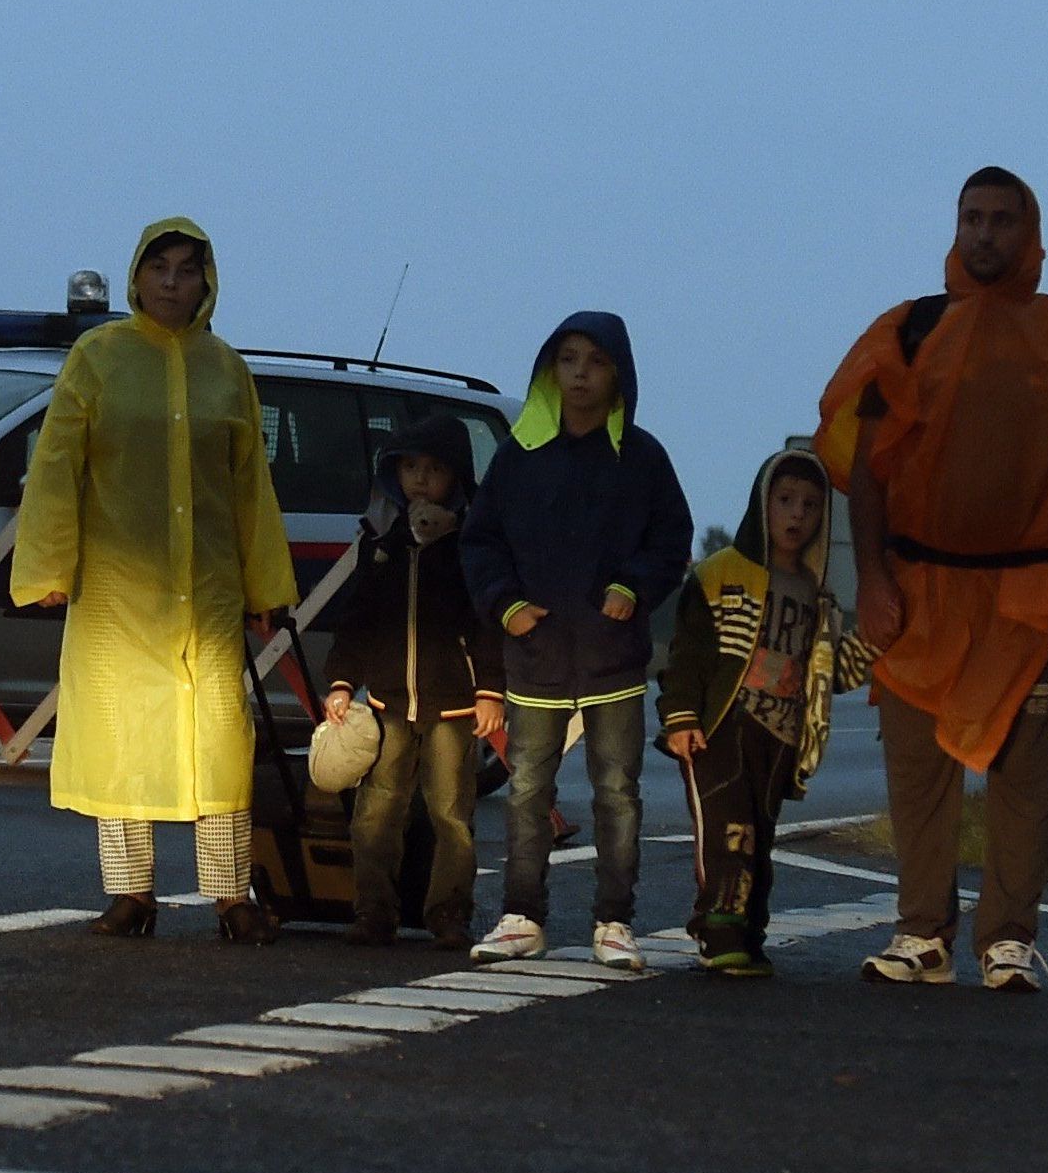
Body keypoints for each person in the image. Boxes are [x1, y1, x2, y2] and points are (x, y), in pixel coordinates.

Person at [820, 169, 1048, 992]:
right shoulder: (909, 331)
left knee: (1021, 779)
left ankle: (1008, 938)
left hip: (1026, 595)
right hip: (921, 588)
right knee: (918, 776)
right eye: (972, 217)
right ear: (954, 227)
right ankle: (922, 931)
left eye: (1001, 219)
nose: (984, 233)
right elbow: (869, 468)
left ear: (1029, 234)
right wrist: (875, 579)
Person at [11, 218, 300, 943]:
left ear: (209, 281)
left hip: (206, 591)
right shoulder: (97, 357)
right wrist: (49, 566)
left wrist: (267, 585)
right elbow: (57, 464)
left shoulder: (226, 368)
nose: (173, 282)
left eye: (188, 269)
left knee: (221, 740)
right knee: (121, 734)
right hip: (117, 589)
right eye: (160, 267)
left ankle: (233, 893)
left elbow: (249, 485)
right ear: (137, 276)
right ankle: (131, 892)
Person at [461, 313, 693, 971]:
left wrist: (634, 586)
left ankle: (614, 922)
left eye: (595, 359)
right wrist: (504, 604)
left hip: (612, 659)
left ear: (617, 370)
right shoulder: (519, 455)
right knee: (528, 789)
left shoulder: (642, 457)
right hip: (534, 659)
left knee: (616, 792)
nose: (581, 372)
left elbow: (672, 537)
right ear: (549, 370)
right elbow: (480, 540)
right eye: (568, 358)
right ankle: (521, 916)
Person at [660, 447, 855, 977]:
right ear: (760, 503)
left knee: (761, 838)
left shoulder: (818, 596)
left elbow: (833, 674)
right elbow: (690, 653)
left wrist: (880, 645)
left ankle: (750, 930)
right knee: (731, 830)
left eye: (811, 506)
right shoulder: (721, 573)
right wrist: (680, 715)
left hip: (782, 734)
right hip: (724, 727)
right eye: (785, 500)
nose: (797, 515)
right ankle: (718, 929)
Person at [320, 412, 503, 949]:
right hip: (387, 701)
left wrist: (491, 690)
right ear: (393, 475)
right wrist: (340, 681)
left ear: (457, 477)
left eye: (434, 468)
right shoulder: (384, 542)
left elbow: (487, 622)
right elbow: (358, 619)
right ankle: (374, 911)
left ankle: (448, 913)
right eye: (409, 467)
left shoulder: (472, 547)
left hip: (454, 704)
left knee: (452, 813)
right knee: (377, 811)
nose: (420, 478)